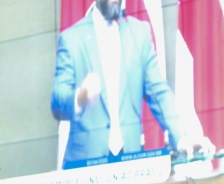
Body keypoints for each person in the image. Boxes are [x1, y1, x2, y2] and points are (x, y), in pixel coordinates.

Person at [50, 0, 211, 168]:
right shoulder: (72, 39)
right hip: (85, 165)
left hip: (130, 162)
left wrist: (182, 140)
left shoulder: (138, 34)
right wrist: (80, 97)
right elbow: (57, 103)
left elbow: (159, 93)